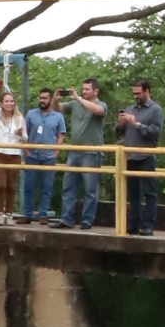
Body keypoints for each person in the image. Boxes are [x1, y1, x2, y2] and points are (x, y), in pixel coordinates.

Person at [114, 79, 165, 234]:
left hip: (146, 155)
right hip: (130, 156)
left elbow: (155, 131)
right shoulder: (130, 109)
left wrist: (137, 124)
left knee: (149, 192)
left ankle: (148, 225)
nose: (135, 96)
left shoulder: (156, 110)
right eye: (134, 93)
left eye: (138, 93)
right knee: (133, 193)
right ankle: (133, 225)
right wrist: (121, 123)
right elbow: (118, 131)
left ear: (146, 91)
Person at [59, 77, 108, 228]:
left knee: (90, 190)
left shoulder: (101, 104)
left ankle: (87, 220)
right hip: (74, 151)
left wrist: (78, 99)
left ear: (95, 91)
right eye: (83, 89)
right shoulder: (75, 104)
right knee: (68, 187)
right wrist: (54, 99)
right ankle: (66, 219)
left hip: (91, 153)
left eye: (87, 89)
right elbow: (57, 109)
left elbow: (98, 111)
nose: (84, 91)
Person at [21, 88, 65, 219]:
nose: (42, 100)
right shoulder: (31, 114)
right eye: (40, 98)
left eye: (45, 98)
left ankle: (43, 215)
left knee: (46, 187)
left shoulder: (58, 116)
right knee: (29, 186)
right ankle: (27, 214)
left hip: (49, 156)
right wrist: (26, 150)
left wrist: (56, 152)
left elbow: (60, 136)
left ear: (50, 99)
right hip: (32, 155)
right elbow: (25, 133)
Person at [0, 89, 26, 220]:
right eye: (7, 101)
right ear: (2, 103)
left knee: (11, 186)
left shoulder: (19, 119)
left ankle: (9, 213)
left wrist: (20, 134)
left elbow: (25, 137)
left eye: (12, 101)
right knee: (0, 184)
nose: (10, 104)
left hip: (14, 155)